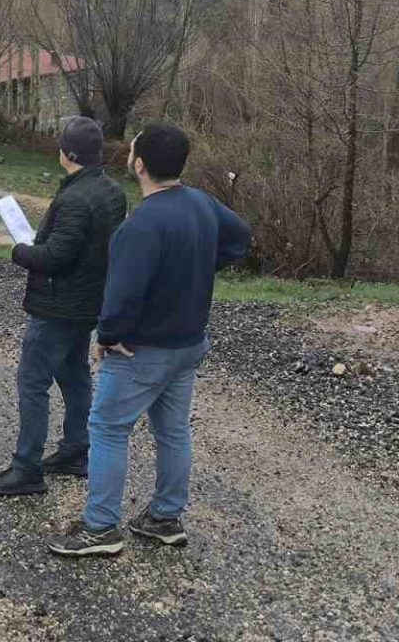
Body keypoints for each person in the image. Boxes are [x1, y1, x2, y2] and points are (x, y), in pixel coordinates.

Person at [48, 123, 252, 558]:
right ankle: (164, 517)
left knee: (107, 428)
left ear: (138, 164)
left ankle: (100, 527)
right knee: (173, 431)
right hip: (188, 343)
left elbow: (122, 295)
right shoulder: (202, 203)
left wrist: (108, 336)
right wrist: (197, 267)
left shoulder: (140, 226)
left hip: (143, 349)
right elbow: (240, 238)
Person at [0, 115, 127, 496]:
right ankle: (76, 449)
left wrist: (20, 250)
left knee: (33, 382)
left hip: (58, 306)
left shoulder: (75, 199)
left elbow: (56, 257)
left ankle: (26, 466)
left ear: (68, 154)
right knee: (74, 373)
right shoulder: (113, 191)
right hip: (88, 302)